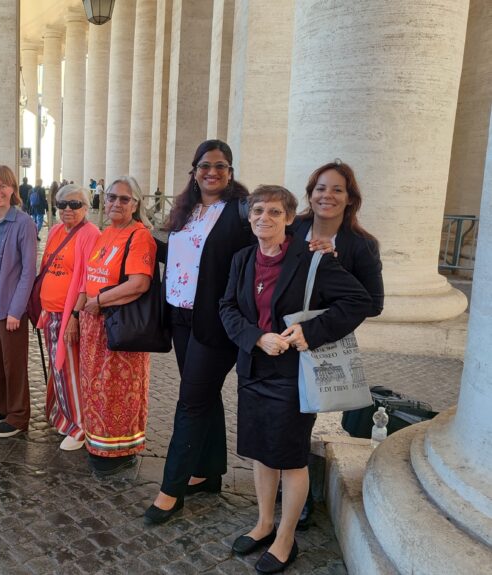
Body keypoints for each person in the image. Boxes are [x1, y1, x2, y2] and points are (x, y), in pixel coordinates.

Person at [219, 185, 371, 574]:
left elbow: (359, 301)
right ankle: (264, 523)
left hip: (293, 374)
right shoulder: (242, 259)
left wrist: (312, 332)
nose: (263, 219)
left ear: (290, 218)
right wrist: (256, 337)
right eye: (257, 212)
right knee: (259, 450)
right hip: (253, 368)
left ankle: (287, 537)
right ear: (249, 217)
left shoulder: (312, 260)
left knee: (289, 456)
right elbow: (228, 306)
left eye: (273, 212)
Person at [144, 139, 254, 524]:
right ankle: (208, 472)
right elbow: (174, 252)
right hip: (180, 318)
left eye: (221, 166)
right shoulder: (185, 211)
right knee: (204, 394)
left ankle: (171, 489)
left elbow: (277, 235)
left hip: (216, 322)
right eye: (205, 165)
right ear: (194, 171)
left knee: (190, 401)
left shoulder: (241, 212)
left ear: (230, 172)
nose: (212, 172)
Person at [289, 160, 384, 528]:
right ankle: (286, 482)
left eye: (337, 190)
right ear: (310, 195)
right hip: (283, 336)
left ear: (350, 199)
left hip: (322, 340)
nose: (327, 195)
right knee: (284, 414)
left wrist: (333, 264)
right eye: (320, 188)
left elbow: (373, 303)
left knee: (305, 414)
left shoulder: (361, 245)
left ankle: (300, 492)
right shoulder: (292, 228)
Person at [79, 176, 157, 476]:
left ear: (135, 204)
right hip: (93, 323)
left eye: (124, 199)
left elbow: (139, 283)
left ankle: (120, 450)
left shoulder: (139, 236)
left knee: (118, 389)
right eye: (111, 197)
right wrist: (81, 309)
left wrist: (99, 301)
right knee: (96, 387)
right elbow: (91, 275)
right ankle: (98, 443)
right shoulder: (106, 232)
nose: (116, 203)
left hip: (119, 324)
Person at [37, 184, 100, 450]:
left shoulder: (90, 234)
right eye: (62, 204)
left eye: (75, 205)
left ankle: (79, 427)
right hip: (50, 312)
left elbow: (87, 280)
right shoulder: (54, 231)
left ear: (86, 208)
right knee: (58, 368)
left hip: (68, 314)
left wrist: (74, 316)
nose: (67, 209)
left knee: (71, 369)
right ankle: (62, 416)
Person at [0, 165, 38, 438]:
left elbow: (28, 270)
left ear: (13, 189)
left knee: (14, 362)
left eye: (2, 186)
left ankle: (18, 415)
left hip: (10, 306)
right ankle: (2, 407)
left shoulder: (23, 222)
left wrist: (17, 309)